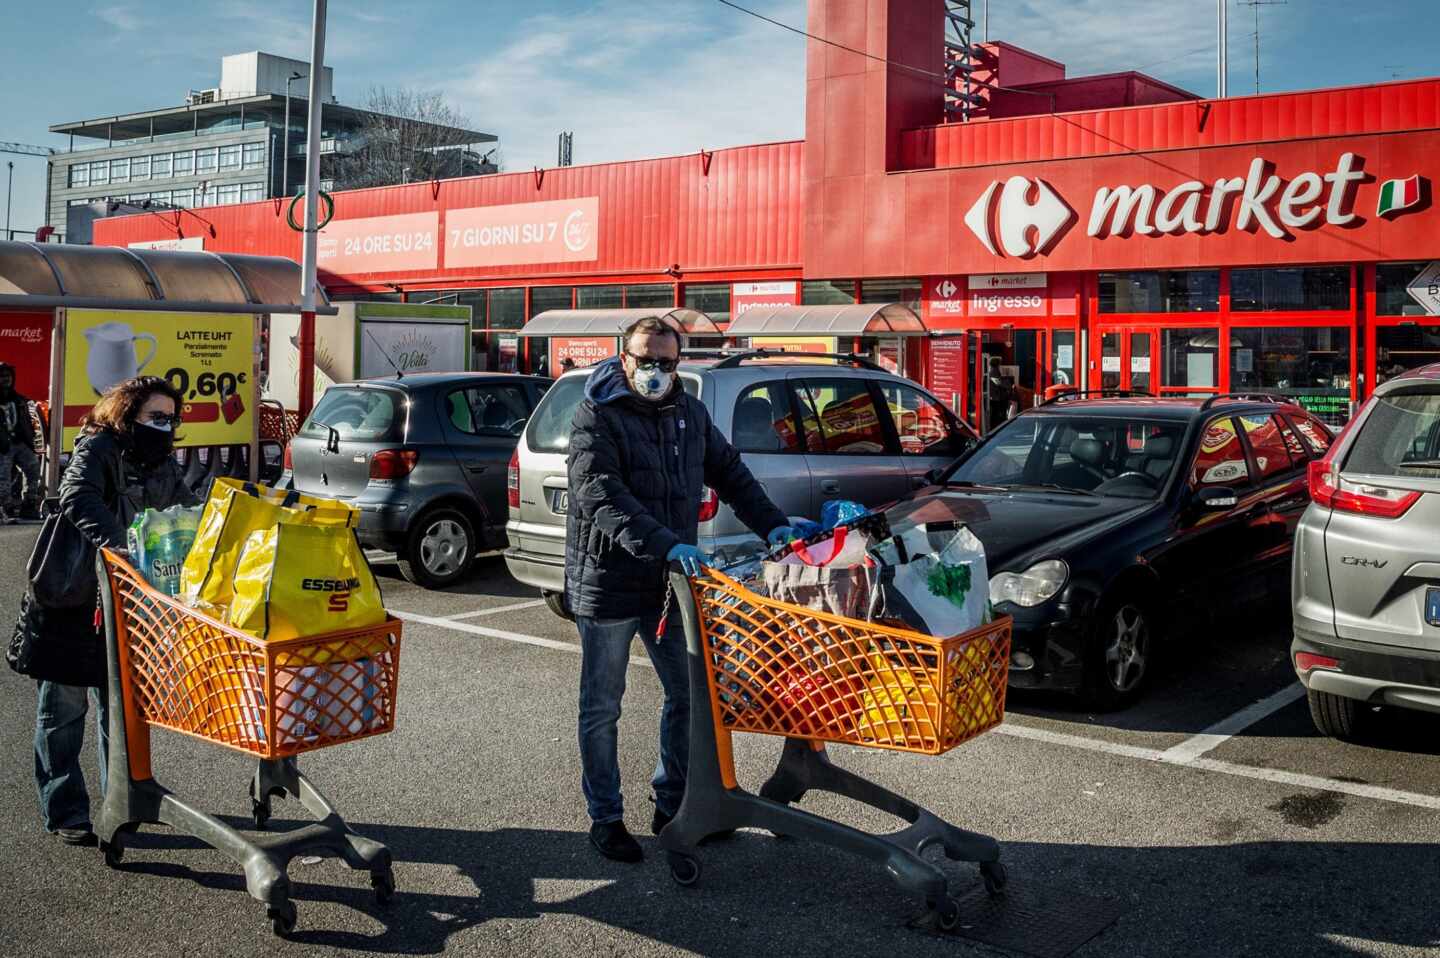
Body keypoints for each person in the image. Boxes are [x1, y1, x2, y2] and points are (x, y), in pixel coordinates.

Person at [565, 316, 815, 863]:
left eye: (666, 362)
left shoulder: (689, 413)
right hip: (608, 582)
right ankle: (605, 817)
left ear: (679, 364)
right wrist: (664, 544)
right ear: (623, 358)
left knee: (689, 694)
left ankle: (671, 801)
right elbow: (600, 495)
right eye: (644, 360)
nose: (654, 371)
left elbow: (730, 472)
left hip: (669, 583)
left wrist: (771, 523)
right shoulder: (595, 415)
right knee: (603, 705)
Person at [19, 375, 198, 846]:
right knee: (63, 710)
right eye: (156, 416)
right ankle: (66, 809)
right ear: (127, 413)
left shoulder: (162, 461)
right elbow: (77, 496)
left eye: (171, 418)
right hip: (74, 595)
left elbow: (184, 507)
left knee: (118, 712)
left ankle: (120, 801)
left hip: (127, 603)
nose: (166, 425)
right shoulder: (98, 447)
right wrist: (123, 550)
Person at [0, 362, 42, 523]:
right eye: (2, 376)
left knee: (33, 469)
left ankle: (29, 504)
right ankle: (7, 508)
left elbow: (27, 421)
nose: (6, 380)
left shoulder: (19, 399)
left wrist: (30, 439)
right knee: (2, 478)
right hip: (3, 445)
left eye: (8, 376)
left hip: (20, 442)